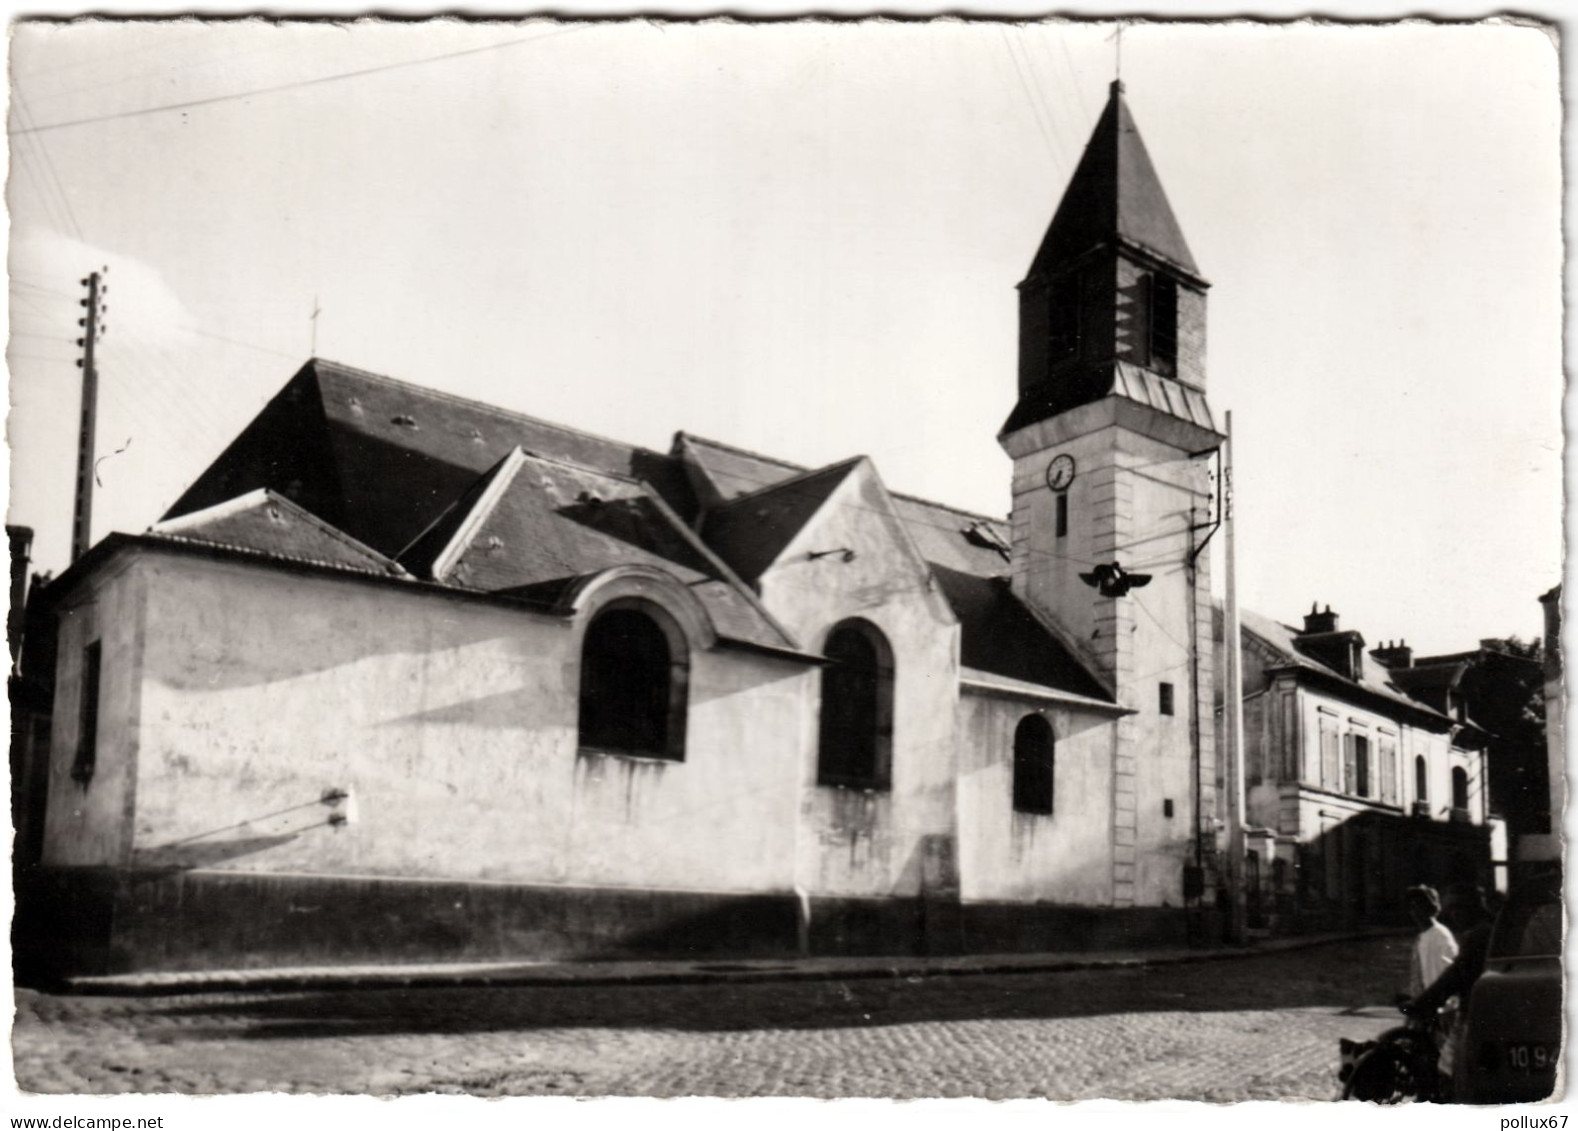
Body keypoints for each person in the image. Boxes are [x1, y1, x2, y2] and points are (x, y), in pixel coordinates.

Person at [1405, 882, 1495, 1099]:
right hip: (1472, 1014)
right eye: (1452, 910)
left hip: (1470, 1016)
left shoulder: (1476, 936)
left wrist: (1422, 1004)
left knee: (1450, 1072)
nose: (1455, 916)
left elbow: (1452, 976)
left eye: (1460, 909)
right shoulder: (1482, 931)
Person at [1404, 885, 1458, 1000]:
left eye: (1420, 906)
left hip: (1437, 1001)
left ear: (1430, 908)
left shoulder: (1440, 935)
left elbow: (1446, 971)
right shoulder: (1422, 936)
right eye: (1413, 907)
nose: (1416, 912)